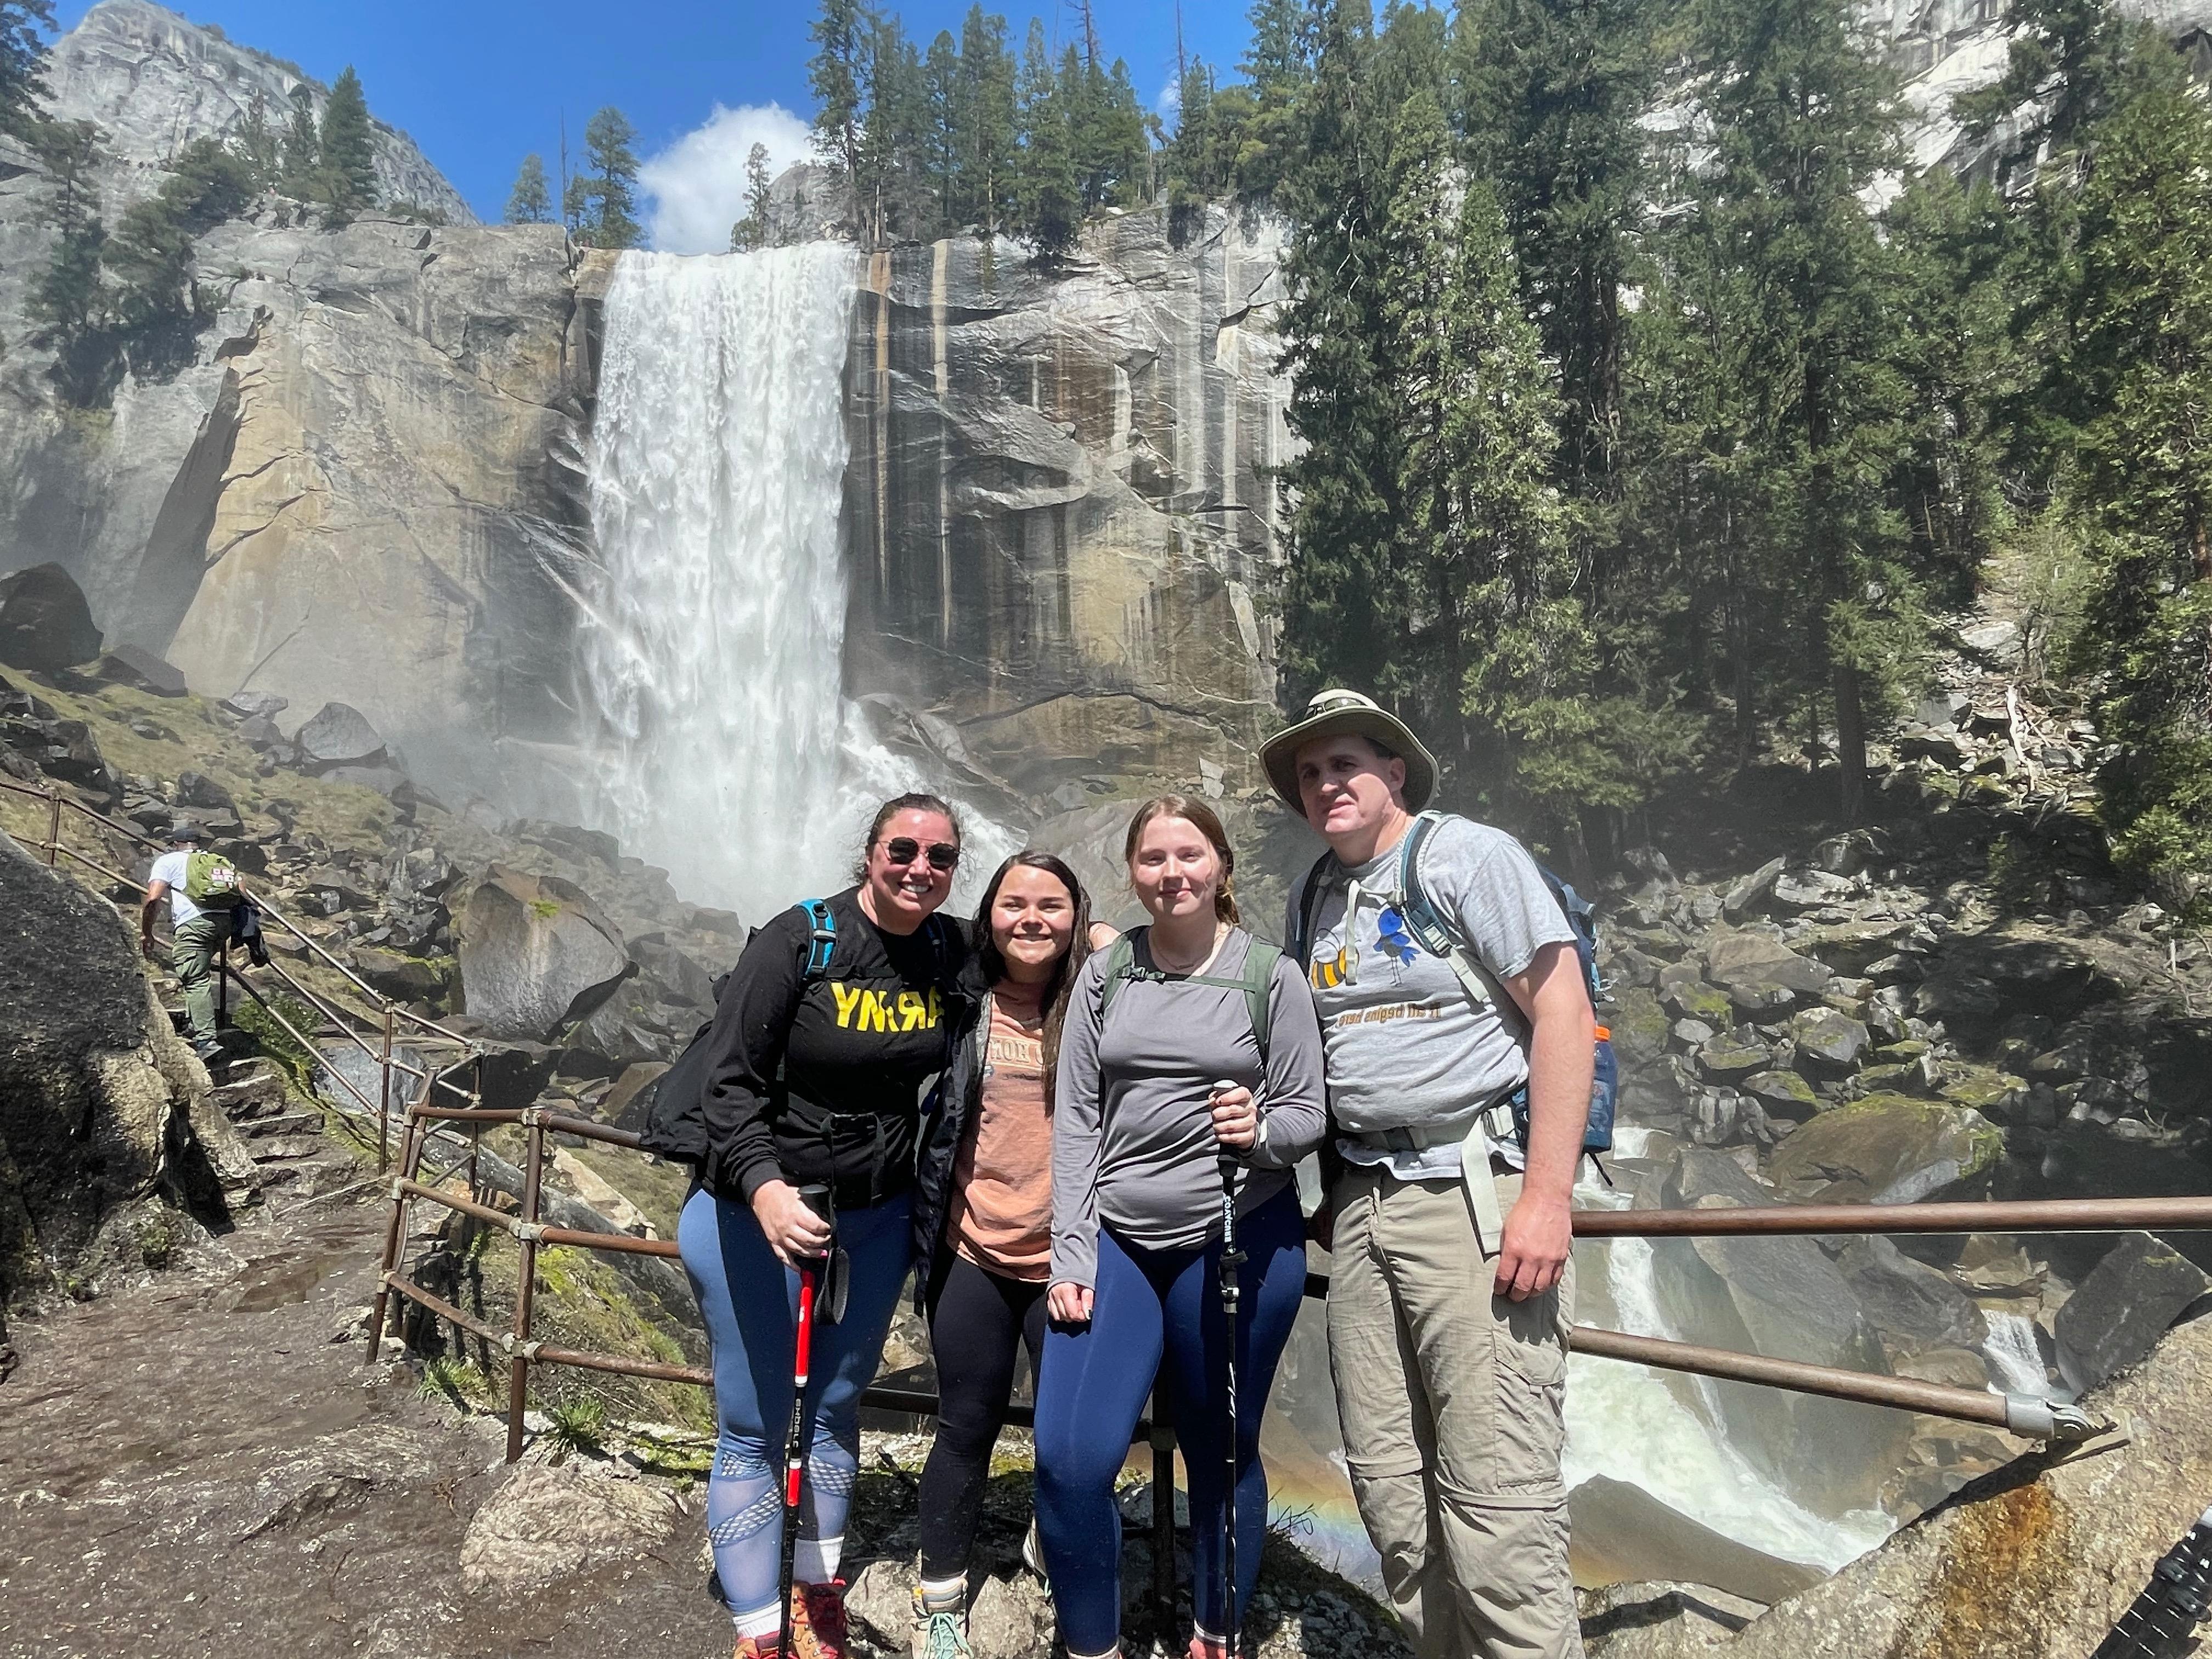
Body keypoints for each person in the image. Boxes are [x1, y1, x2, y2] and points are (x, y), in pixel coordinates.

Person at [1260, 689, 1595, 1659]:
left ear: (1393, 772)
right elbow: (1315, 1055)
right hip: (1361, 1199)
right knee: (1392, 1495)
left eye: (1345, 764)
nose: (1326, 783)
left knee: (1496, 1502)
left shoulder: (1467, 857)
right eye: (1310, 772)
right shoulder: (1314, 893)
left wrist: (1545, 1194)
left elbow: (1563, 1015)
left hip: (1472, 1190)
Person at [679, 793, 972, 1659]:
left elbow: (1042, 948)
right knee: (752, 1422)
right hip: (754, 1216)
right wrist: (766, 1187)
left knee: (838, 1407)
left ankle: (817, 1591)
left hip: (875, 1221)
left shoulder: (950, 950)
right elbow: (725, 1082)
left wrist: (1105, 945)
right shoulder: (799, 938)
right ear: (870, 853)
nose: (921, 868)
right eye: (904, 849)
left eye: (942, 857)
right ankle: (758, 1632)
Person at [1035, 796, 1328, 1659]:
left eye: (1190, 855)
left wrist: (1260, 1130)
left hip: (1240, 1240)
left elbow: (1309, 1111)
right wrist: (1070, 1250)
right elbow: (1077, 1118)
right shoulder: (1108, 972)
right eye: (1154, 859)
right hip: (1119, 1242)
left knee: (1220, 1451)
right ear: (1131, 872)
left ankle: (1215, 1630)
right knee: (1071, 1459)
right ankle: (1092, 1645)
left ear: (1222, 867)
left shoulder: (1269, 977)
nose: (1173, 874)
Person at [907, 851, 1107, 1659]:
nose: (1031, 918)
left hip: (1073, 1260)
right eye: (1014, 903)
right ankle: (942, 1597)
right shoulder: (961, 994)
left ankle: (1048, 1547)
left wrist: (1104, 937)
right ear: (987, 913)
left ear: (1076, 915)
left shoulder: (1100, 996)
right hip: (974, 1254)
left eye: (1051, 905)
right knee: (966, 1426)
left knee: (1076, 1439)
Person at [140, 820, 236, 1062]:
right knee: (198, 969)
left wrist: (147, 932)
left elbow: (153, 900)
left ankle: (206, 1040)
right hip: (223, 924)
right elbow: (241, 888)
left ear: (176, 844)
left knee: (194, 979)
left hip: (194, 924)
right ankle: (196, 1024)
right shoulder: (216, 862)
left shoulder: (169, 861)